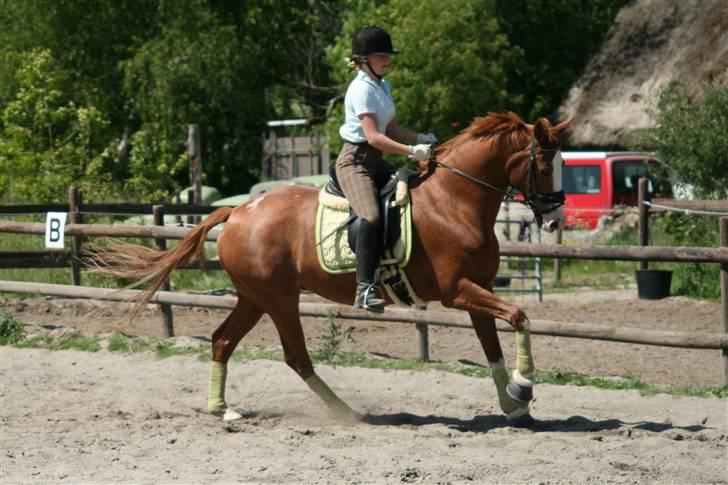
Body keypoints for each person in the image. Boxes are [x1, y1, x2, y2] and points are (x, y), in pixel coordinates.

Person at [336, 25, 437, 313]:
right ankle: (364, 289)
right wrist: (410, 151)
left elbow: (390, 128)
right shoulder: (360, 90)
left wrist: (419, 137)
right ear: (364, 59)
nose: (387, 60)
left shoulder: (382, 86)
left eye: (387, 55)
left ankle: (399, 267)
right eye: (381, 56)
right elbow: (373, 136)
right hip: (355, 163)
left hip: (376, 161)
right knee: (370, 216)